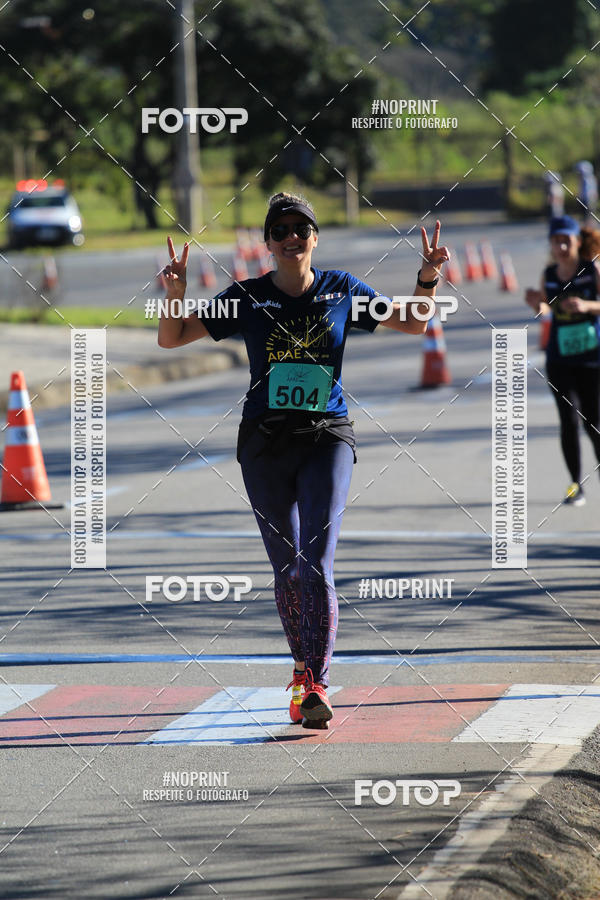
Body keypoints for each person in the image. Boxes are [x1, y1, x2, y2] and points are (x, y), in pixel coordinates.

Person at [158, 192, 449, 728]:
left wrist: (426, 277)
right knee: (287, 570)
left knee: (315, 562)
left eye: (301, 228)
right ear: (268, 242)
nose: (292, 237)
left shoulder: (343, 290)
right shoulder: (245, 297)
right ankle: (301, 666)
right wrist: (175, 294)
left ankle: (315, 681)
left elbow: (413, 323)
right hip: (264, 445)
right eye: (281, 229)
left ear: (315, 238)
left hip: (326, 437)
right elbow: (172, 338)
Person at [525, 214, 600, 506]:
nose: (561, 246)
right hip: (559, 359)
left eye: (566, 240)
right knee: (567, 421)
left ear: (577, 241)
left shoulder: (591, 270)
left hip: (592, 358)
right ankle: (574, 485)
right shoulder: (550, 274)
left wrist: (587, 305)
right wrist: (535, 302)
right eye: (556, 241)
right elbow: (545, 308)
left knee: (593, 422)